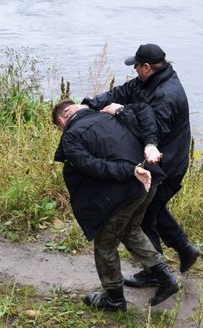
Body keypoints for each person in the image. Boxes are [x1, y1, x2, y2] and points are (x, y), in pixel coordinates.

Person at [81, 43, 199, 288]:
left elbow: (152, 131)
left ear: (146, 67)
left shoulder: (167, 94)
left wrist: (120, 112)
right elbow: (121, 92)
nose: (134, 69)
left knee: (144, 216)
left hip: (168, 165)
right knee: (151, 211)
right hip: (158, 162)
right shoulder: (148, 82)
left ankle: (155, 273)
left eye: (136, 65)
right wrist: (90, 104)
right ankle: (183, 250)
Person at [52, 99, 180, 310]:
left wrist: (129, 171)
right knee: (130, 230)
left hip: (129, 188)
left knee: (105, 244)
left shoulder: (72, 136)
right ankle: (165, 278)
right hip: (151, 181)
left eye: (59, 128)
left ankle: (113, 298)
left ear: (62, 119)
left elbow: (93, 167)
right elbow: (143, 117)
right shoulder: (109, 115)